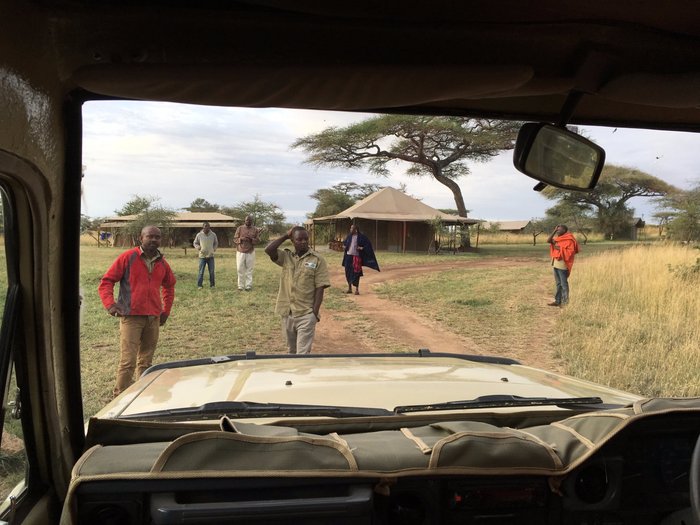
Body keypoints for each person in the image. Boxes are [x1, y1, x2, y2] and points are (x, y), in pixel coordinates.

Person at [98, 225, 176, 397]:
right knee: (128, 361)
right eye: (150, 236)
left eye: (157, 237)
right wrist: (110, 304)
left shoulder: (161, 262)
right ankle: (119, 397)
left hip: (153, 318)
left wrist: (166, 311)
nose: (154, 240)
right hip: (131, 317)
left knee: (146, 361)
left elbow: (169, 286)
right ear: (141, 238)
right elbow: (106, 282)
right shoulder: (128, 257)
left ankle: (141, 396)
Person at [265, 226, 330, 354]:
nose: (303, 242)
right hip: (288, 313)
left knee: (302, 355)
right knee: (291, 352)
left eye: (306, 239)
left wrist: (314, 313)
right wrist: (285, 236)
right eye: (299, 239)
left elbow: (320, 288)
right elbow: (269, 250)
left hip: (306, 314)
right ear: (293, 241)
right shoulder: (286, 257)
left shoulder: (317, 259)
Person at [342, 224, 380, 294]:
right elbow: (345, 243)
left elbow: (368, 245)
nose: (350, 230)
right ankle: (349, 288)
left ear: (355, 230)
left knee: (356, 273)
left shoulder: (361, 237)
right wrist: (344, 246)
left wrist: (361, 248)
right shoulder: (349, 236)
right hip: (348, 257)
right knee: (348, 272)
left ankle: (356, 290)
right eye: (350, 228)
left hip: (356, 257)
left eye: (352, 228)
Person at [547, 224, 579, 307]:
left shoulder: (569, 239)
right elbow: (548, 240)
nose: (558, 231)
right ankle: (558, 301)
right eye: (557, 229)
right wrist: (554, 231)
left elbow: (571, 252)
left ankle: (565, 302)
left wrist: (558, 247)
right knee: (558, 283)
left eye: (559, 229)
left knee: (563, 284)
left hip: (563, 264)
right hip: (556, 263)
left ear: (564, 230)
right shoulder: (559, 239)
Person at [234, 215, 261, 291]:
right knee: (239, 268)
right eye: (247, 220)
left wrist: (252, 240)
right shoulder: (240, 228)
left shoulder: (255, 229)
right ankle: (240, 286)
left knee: (249, 269)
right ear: (244, 221)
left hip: (250, 251)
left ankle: (248, 285)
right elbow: (235, 239)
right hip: (240, 251)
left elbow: (258, 240)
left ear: (252, 221)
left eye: (249, 220)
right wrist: (241, 239)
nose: (248, 221)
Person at [193, 221, 218, 289]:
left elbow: (216, 243)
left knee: (212, 272)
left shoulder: (213, 235)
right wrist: (198, 247)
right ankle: (199, 285)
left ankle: (212, 285)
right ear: (203, 227)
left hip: (210, 256)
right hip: (202, 256)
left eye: (208, 226)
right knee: (201, 272)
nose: (206, 228)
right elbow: (195, 243)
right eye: (205, 226)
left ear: (209, 227)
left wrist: (214, 249)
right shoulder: (199, 235)